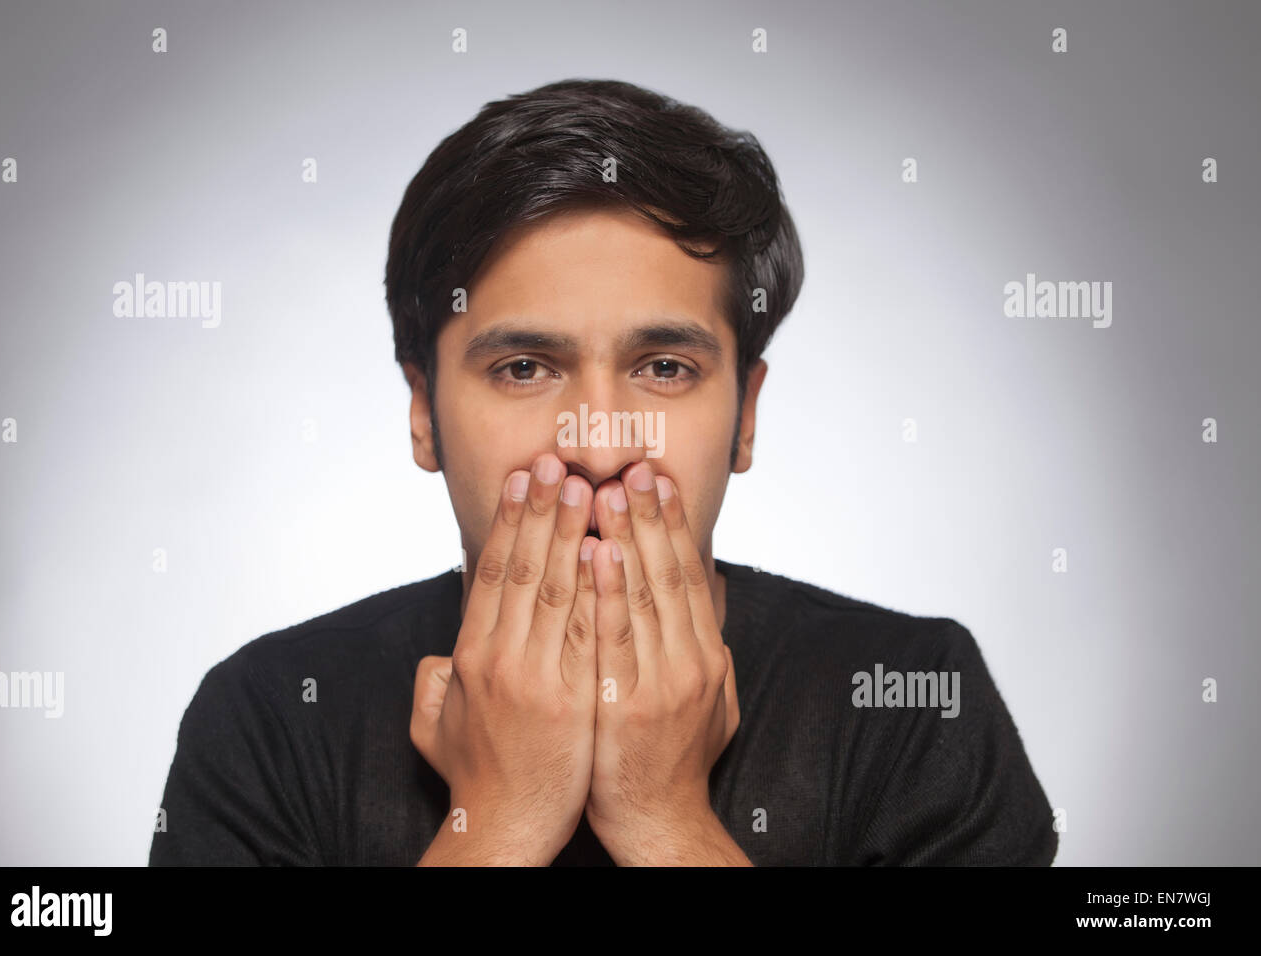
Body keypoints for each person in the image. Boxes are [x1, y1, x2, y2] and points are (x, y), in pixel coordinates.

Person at [149, 78, 1058, 866]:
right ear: (424, 412)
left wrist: (666, 823)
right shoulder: (267, 720)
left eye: (664, 368)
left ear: (746, 414)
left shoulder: (911, 702)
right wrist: (498, 822)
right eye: (524, 369)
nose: (595, 442)